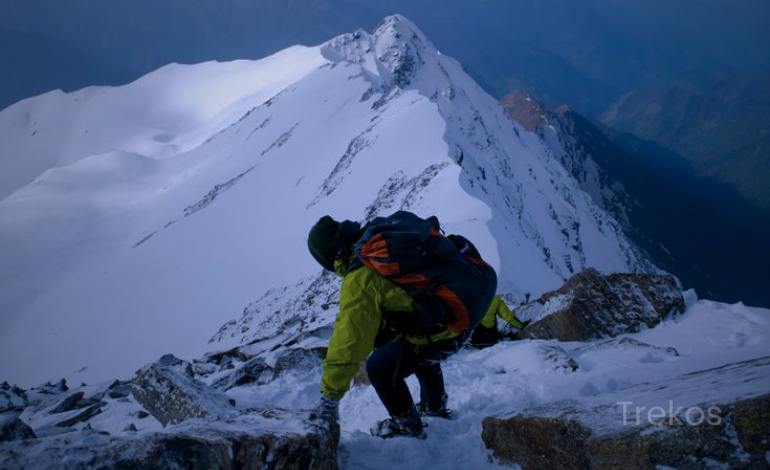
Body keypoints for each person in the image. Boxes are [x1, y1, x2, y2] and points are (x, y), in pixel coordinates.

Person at [307, 214, 495, 439]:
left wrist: (329, 397)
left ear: (329, 257)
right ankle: (434, 408)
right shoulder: (381, 237)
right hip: (466, 305)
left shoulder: (360, 275)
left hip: (450, 323)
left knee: (379, 368)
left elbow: (350, 338)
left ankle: (408, 426)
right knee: (411, 343)